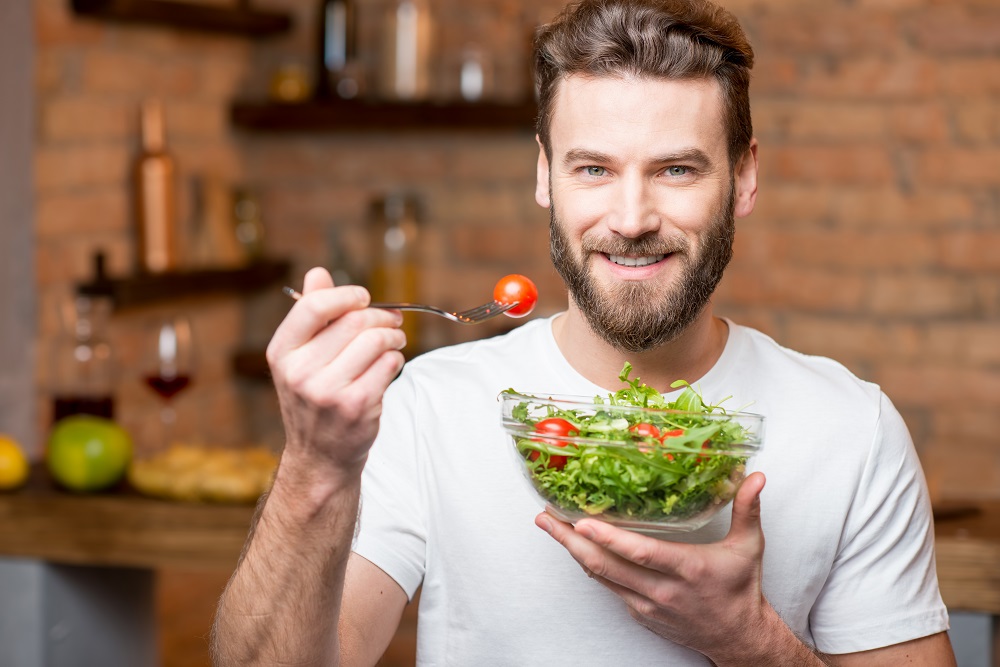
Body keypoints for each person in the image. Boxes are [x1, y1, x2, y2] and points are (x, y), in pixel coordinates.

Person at [211, 0, 956, 664]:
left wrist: (749, 641)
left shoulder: (852, 429)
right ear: (545, 176)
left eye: (676, 170)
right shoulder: (428, 409)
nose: (631, 219)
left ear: (744, 176)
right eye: (594, 168)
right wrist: (314, 465)